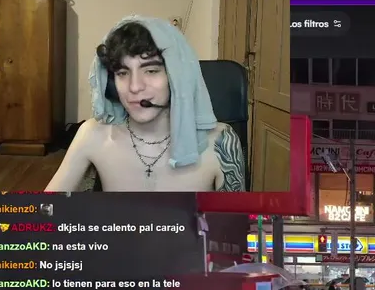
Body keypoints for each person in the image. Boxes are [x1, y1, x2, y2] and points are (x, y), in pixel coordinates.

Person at [45, 17, 245, 192]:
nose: (134, 87)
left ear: (177, 77)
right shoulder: (93, 134)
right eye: (122, 73)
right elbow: (42, 212)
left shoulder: (220, 142)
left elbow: (236, 221)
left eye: (151, 71)